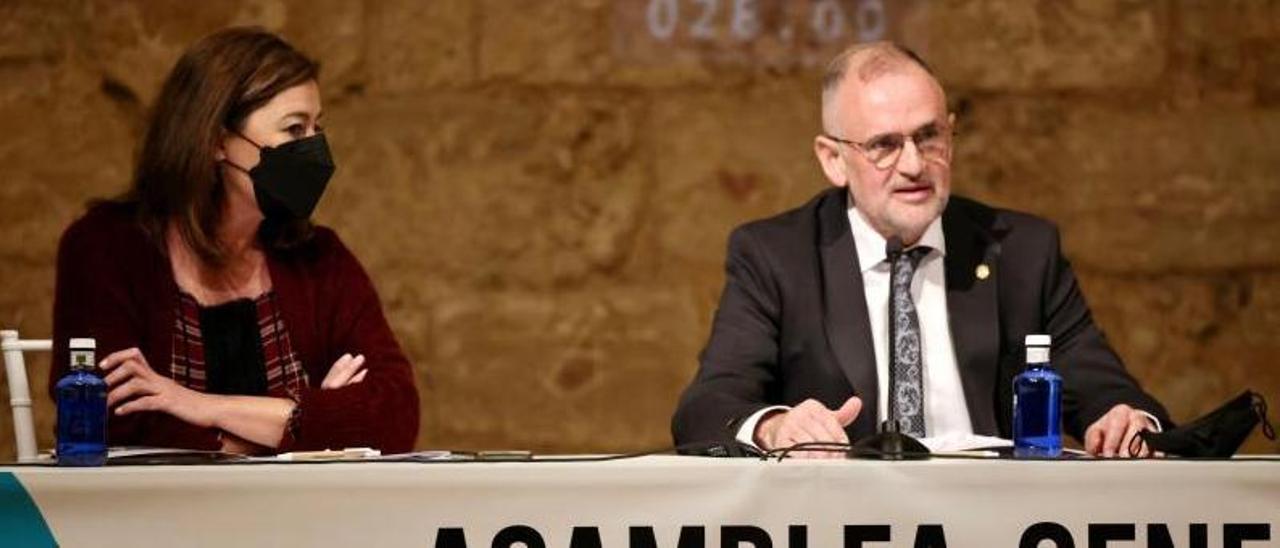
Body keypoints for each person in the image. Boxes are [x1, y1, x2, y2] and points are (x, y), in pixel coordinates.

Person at [671, 42, 1169, 458]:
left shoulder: (1022, 250)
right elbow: (709, 407)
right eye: (884, 145)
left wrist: (1125, 419)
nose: (913, 164)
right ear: (834, 160)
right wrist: (775, 426)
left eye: (929, 137)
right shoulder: (777, 256)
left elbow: (1101, 385)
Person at [50, 27, 419, 454]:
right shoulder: (105, 248)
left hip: (304, 518)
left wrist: (199, 406)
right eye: (295, 130)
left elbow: (394, 416)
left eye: (318, 128)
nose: (315, 148)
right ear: (217, 141)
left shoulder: (320, 258)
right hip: (156, 517)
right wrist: (306, 424)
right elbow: (114, 421)